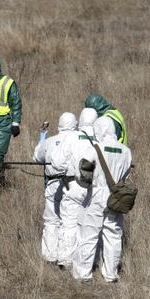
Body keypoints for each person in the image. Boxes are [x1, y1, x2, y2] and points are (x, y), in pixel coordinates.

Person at [72, 117, 132, 282]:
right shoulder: (126, 151)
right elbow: (126, 176)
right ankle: (111, 275)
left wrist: (84, 184)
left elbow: (81, 173)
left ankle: (83, 275)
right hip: (116, 196)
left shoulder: (95, 148)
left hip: (97, 195)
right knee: (113, 235)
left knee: (89, 234)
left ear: (99, 130)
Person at [50, 108, 97, 267]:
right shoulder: (99, 140)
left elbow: (56, 162)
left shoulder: (73, 137)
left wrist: (67, 167)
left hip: (73, 185)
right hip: (94, 189)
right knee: (89, 226)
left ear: (81, 121)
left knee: (69, 223)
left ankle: (65, 261)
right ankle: (87, 262)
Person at [33, 112, 77, 263]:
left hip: (51, 184)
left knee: (51, 220)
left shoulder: (49, 141)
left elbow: (37, 158)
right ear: (75, 124)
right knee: (69, 221)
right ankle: (66, 259)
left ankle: (49, 256)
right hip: (71, 184)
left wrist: (43, 137)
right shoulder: (77, 139)